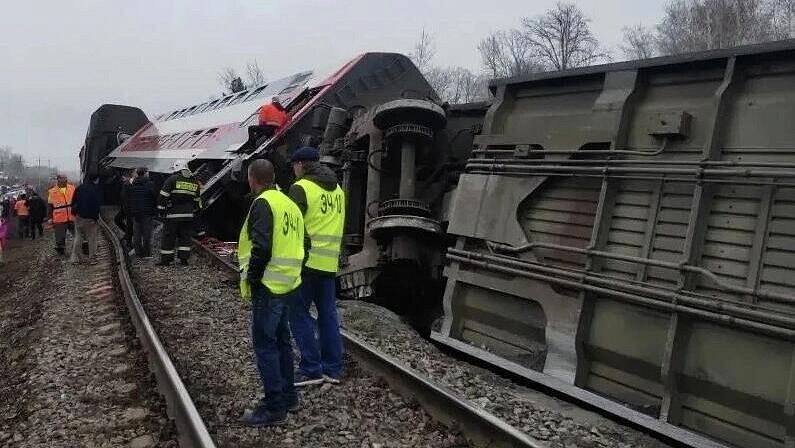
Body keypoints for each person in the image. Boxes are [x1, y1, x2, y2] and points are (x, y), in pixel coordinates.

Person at [238, 159, 304, 427]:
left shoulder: (263, 203)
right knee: (282, 341)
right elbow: (304, 243)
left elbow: (261, 247)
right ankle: (289, 397)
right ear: (273, 175)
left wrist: (253, 277)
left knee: (265, 345)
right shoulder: (289, 204)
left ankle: (274, 407)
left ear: (252, 179)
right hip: (287, 283)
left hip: (268, 285)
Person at [286, 147, 346, 386]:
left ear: (301, 164)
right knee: (328, 316)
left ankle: (311, 368)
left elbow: (291, 227)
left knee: (297, 314)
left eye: (294, 166)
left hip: (306, 263)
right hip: (329, 264)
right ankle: (333, 367)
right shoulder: (339, 190)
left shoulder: (301, 188)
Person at [157, 160, 201, 266]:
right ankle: (184, 260)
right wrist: (193, 211)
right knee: (185, 237)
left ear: (177, 168)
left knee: (169, 237)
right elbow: (197, 200)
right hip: (188, 216)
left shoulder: (172, 179)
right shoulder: (194, 181)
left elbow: (163, 196)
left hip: (173, 215)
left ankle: (166, 260)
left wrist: (161, 209)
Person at [70, 175, 102, 264]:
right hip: (90, 218)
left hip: (79, 217)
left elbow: (73, 202)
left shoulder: (79, 188)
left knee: (78, 237)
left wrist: (75, 214)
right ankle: (92, 259)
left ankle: (76, 258)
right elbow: (97, 205)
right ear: (96, 179)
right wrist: (95, 218)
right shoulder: (95, 189)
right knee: (92, 238)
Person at [127, 167, 157, 258]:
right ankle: (146, 254)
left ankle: (138, 253)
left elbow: (129, 198)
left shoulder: (133, 185)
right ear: (144, 173)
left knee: (137, 234)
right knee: (146, 234)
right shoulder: (149, 184)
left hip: (136, 213)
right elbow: (154, 197)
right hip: (147, 213)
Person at [48, 175, 76, 255]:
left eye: (65, 179)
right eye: (62, 179)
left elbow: (77, 200)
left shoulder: (72, 188)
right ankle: (60, 249)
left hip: (72, 216)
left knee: (78, 234)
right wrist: (50, 217)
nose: (64, 180)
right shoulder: (52, 191)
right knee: (60, 236)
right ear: (58, 180)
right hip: (59, 218)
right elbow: (50, 206)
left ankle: (82, 246)